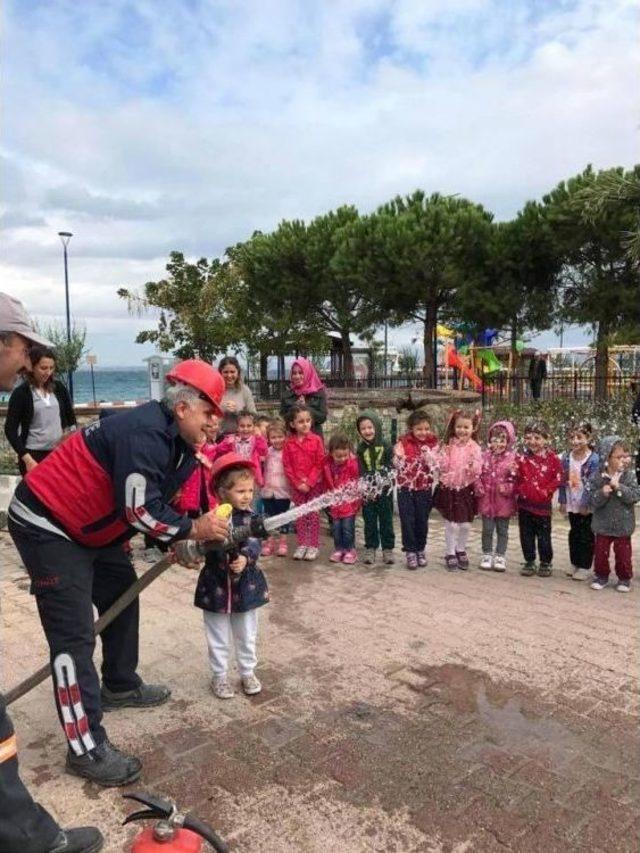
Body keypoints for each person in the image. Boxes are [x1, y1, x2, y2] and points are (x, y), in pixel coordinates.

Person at [7, 359, 230, 788]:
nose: (214, 423)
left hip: (90, 528)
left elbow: (157, 504)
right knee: (72, 638)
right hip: (46, 524)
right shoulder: (145, 432)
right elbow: (139, 511)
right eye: (209, 412)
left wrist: (178, 538)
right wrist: (190, 529)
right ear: (183, 407)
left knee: (122, 593)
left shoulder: (180, 445)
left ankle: (120, 685)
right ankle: (85, 747)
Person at [0, 291, 103, 853]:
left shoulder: (55, 391)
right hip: (36, 487)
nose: (29, 363)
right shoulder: (17, 396)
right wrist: (26, 458)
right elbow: (17, 431)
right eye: (24, 350)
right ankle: (29, 838)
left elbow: (64, 423)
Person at [194, 454, 268, 699]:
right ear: (223, 493)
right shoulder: (212, 518)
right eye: (240, 491)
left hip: (246, 586)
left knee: (247, 633)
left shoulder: (253, 517)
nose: (247, 495)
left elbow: (256, 542)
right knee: (217, 635)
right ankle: (220, 676)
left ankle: (247, 672)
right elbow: (202, 541)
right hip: (215, 586)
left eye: (250, 490)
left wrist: (246, 557)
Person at [5, 344, 76, 475]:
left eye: (51, 368)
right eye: (43, 368)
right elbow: (10, 430)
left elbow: (71, 420)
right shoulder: (21, 393)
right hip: (33, 455)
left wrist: (68, 434)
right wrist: (27, 459)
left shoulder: (59, 388)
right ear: (31, 367)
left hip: (58, 454)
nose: (48, 372)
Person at [587, 436, 640, 593]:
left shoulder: (629, 476)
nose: (624, 460)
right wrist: (602, 493)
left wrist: (619, 488)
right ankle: (601, 575)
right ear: (606, 458)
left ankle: (624, 578)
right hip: (602, 525)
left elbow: (635, 496)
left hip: (623, 525)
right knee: (600, 553)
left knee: (624, 554)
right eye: (619, 457)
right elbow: (592, 501)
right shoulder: (597, 477)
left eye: (626, 455)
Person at [434, 410, 482, 571]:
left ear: (472, 428)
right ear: (454, 427)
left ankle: (460, 548)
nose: (462, 430)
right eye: (459, 427)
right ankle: (449, 552)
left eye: (466, 427)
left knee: (466, 525)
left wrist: (472, 466)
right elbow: (441, 465)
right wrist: (441, 456)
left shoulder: (474, 447)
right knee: (451, 524)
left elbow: (478, 468)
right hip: (449, 488)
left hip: (466, 489)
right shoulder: (448, 445)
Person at [516, 420, 563, 577]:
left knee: (544, 537)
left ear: (546, 439)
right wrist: (521, 489)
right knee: (526, 535)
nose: (533, 442)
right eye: (529, 438)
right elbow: (516, 478)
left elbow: (558, 478)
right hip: (524, 505)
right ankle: (529, 561)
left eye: (537, 438)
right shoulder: (522, 458)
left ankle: (545, 562)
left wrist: (546, 491)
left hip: (542, 507)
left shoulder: (553, 459)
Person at [394, 410, 438, 570]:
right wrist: (398, 458)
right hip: (405, 488)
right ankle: (410, 551)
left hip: (424, 488)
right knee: (407, 520)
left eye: (426, 429)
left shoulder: (433, 444)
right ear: (411, 428)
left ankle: (421, 549)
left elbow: (436, 465)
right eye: (419, 429)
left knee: (422, 520)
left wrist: (430, 457)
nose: (423, 432)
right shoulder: (403, 443)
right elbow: (397, 466)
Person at [282, 404, 325, 561]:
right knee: (300, 514)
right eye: (301, 421)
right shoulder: (289, 443)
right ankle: (302, 544)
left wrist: (309, 481)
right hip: (297, 486)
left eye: (308, 420)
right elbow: (287, 465)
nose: (305, 424)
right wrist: (298, 483)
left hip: (314, 485)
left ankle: (313, 545)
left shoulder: (316, 440)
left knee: (313, 514)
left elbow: (320, 463)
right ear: (293, 424)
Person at [558, 423, 599, 581]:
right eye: (572, 437)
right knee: (574, 531)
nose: (575, 441)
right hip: (571, 500)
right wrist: (562, 500)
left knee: (586, 533)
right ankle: (574, 562)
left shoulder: (593, 459)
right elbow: (562, 480)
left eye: (579, 437)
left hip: (586, 503)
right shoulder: (567, 458)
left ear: (588, 438)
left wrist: (586, 503)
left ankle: (585, 565)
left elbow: (592, 484)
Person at [476, 420, 518, 572]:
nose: (498, 444)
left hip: (503, 502)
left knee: (502, 530)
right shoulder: (484, 456)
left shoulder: (512, 458)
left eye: (502, 440)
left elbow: (515, 479)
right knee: (487, 529)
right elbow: (477, 474)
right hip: (487, 500)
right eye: (494, 440)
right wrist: (478, 486)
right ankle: (487, 553)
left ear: (509, 441)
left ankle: (500, 555)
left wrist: (507, 488)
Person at [356, 410, 395, 566]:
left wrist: (383, 483)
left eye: (370, 427)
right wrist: (367, 487)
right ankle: (371, 547)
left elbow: (391, 467)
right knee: (369, 521)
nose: (367, 431)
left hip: (385, 492)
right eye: (363, 428)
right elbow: (360, 470)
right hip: (368, 494)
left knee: (386, 520)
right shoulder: (359, 449)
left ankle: (388, 549)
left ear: (377, 426)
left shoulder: (386, 445)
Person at [323, 432, 360, 565]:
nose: (342, 458)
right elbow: (327, 483)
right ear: (331, 453)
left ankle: (351, 550)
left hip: (349, 504)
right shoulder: (327, 465)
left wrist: (355, 503)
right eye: (338, 456)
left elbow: (356, 484)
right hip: (335, 505)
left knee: (347, 528)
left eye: (345, 455)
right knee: (336, 529)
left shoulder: (352, 465)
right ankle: (339, 549)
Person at [260, 419, 291, 557]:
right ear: (268, 438)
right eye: (273, 437)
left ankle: (283, 543)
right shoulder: (266, 452)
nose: (277, 440)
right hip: (268, 491)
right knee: (269, 518)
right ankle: (270, 542)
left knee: (283, 518)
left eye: (280, 436)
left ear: (285, 436)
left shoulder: (289, 452)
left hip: (284, 492)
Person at [216, 410, 268, 488]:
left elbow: (264, 451)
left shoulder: (255, 440)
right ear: (237, 427)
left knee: (252, 497)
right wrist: (227, 443)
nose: (245, 429)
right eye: (242, 426)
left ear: (253, 427)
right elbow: (219, 450)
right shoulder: (232, 440)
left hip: (252, 476)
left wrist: (259, 437)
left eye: (249, 426)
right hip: (235, 475)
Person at [280, 357, 327, 437]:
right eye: (294, 373)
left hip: (314, 440)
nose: (297, 376)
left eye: (301, 373)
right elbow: (284, 418)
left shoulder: (318, 393)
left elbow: (322, 417)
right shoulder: (287, 395)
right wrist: (295, 408)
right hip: (294, 440)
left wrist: (305, 407)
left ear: (307, 373)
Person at [218, 355, 257, 436]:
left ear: (238, 372)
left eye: (232, 372)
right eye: (226, 372)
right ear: (220, 373)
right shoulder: (215, 390)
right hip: (218, 437)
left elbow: (254, 415)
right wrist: (222, 410)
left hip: (241, 437)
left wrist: (238, 412)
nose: (229, 375)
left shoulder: (244, 390)